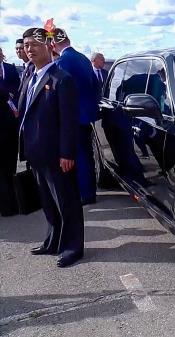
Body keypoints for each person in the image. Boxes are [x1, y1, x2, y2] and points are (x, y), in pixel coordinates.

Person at [18, 27, 84, 267]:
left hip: (57, 154)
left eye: (34, 44)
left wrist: (67, 152)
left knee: (67, 201)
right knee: (47, 201)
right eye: (26, 45)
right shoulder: (30, 75)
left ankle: (73, 247)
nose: (29, 49)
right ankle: (53, 240)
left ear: (49, 46)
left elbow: (69, 120)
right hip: (36, 152)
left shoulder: (61, 79)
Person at [52, 28, 99, 205]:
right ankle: (89, 191)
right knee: (86, 155)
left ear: (53, 44)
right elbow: (95, 84)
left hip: (73, 117)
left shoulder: (63, 61)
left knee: (78, 156)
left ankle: (84, 194)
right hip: (86, 115)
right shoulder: (83, 58)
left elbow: (61, 90)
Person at [0, 47, 21, 216]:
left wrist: (9, 94)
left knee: (10, 162)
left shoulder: (10, 68)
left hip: (10, 121)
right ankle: (6, 205)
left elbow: (17, 87)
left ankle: (13, 199)